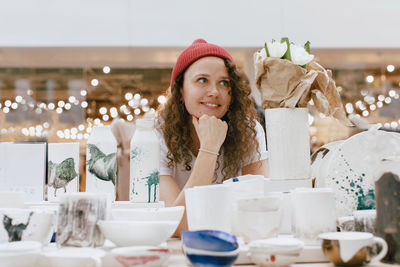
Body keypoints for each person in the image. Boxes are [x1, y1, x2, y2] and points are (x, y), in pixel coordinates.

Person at [157, 39, 268, 235]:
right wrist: (209, 147)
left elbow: (260, 209)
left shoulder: (249, 130)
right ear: (181, 90)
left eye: (224, 83)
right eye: (202, 80)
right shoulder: (157, 133)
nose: (215, 92)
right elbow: (179, 224)